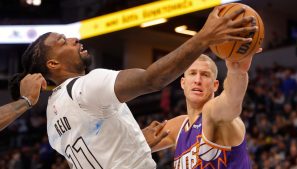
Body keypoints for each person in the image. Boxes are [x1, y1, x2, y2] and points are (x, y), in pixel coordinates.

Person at [9, 5, 257, 169]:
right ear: (53, 63)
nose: (74, 39)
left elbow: (101, 151)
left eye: (204, 74)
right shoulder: (86, 86)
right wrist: (205, 37)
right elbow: (151, 79)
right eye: (63, 41)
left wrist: (136, 141)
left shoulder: (53, 120)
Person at [151, 52, 261, 168]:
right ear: (183, 83)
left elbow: (231, 102)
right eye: (193, 73)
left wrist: (237, 72)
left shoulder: (213, 114)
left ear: (215, 85)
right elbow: (135, 145)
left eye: (205, 75)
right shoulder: (179, 127)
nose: (197, 80)